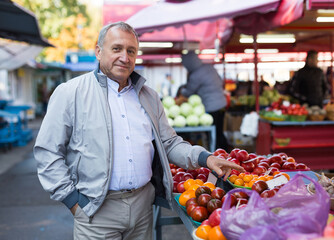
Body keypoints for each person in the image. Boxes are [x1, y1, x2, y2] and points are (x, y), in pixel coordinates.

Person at [33, 22, 243, 240]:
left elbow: (169, 142)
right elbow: (47, 152)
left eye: (131, 51)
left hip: (143, 207)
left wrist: (205, 158)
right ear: (98, 51)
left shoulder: (148, 96)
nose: (125, 57)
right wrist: (73, 201)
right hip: (96, 211)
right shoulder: (70, 93)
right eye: (117, 49)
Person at [179, 50, 229, 151]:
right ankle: (225, 152)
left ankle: (218, 153)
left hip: (211, 107)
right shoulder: (209, 67)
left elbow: (188, 92)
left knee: (213, 133)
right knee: (219, 131)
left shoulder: (195, 75)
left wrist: (181, 90)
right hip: (222, 104)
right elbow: (220, 81)